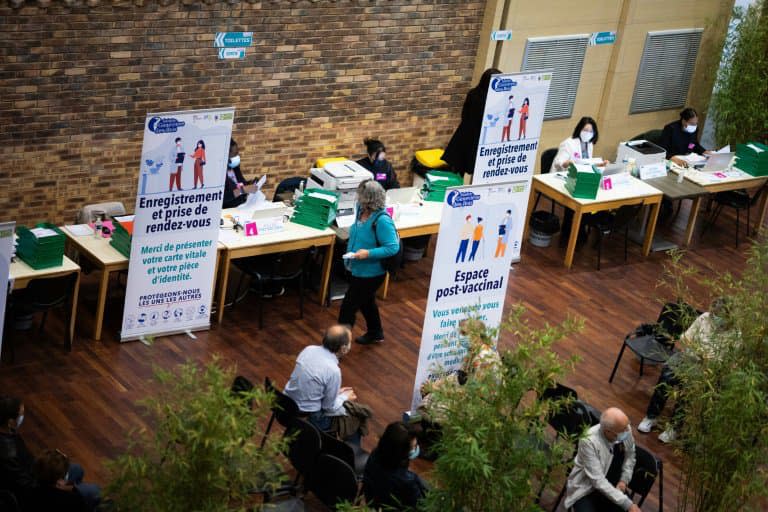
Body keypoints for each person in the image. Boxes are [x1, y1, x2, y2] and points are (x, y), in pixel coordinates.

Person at [637, 300, 728, 443]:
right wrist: (699, 350)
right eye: (715, 313)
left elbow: (721, 359)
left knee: (688, 387)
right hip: (688, 356)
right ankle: (651, 417)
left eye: (719, 315)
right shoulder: (705, 317)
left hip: (706, 367)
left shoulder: (734, 334)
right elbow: (686, 338)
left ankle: (674, 427)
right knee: (666, 376)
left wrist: (702, 353)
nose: (715, 317)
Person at [0, 396, 100, 510]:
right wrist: (56, 484)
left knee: (77, 469)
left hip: (37, 476)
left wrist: (49, 460)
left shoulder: (9, 434)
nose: (22, 417)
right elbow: (26, 487)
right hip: (36, 492)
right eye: (21, 415)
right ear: (10, 422)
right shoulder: (8, 454)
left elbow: (27, 461)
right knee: (94, 491)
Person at [338, 180, 399, 345]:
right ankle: (375, 332)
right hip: (356, 267)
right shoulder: (360, 210)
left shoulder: (382, 220)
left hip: (372, 272)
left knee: (348, 307)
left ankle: (338, 345)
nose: (357, 197)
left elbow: (392, 247)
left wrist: (368, 253)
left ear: (369, 198)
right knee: (366, 301)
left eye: (360, 194)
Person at [564, 407, 640, 512]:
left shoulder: (624, 428)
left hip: (614, 486)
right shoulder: (589, 441)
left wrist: (624, 479)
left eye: (627, 427)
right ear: (608, 431)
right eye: (623, 430)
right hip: (588, 488)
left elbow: (630, 456)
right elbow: (598, 481)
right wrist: (627, 504)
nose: (627, 431)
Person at [550, 116, 610, 245]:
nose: (587, 134)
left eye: (591, 131)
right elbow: (558, 163)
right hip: (564, 177)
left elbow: (586, 163)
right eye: (585, 130)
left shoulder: (589, 144)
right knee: (577, 200)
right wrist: (567, 163)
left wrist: (599, 165)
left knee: (590, 196)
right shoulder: (568, 143)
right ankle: (569, 235)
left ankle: (579, 232)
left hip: (581, 177)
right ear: (579, 129)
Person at [443, 68, 502, 176]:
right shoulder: (493, 100)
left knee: (458, 170)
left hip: (464, 135)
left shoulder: (473, 93)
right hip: (479, 140)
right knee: (478, 171)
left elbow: (464, 115)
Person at [363, 421, 428, 510]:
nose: (416, 448)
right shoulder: (407, 482)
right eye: (413, 447)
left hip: (374, 503)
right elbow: (420, 506)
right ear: (401, 452)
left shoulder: (375, 454)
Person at [223, 139, 258, 209]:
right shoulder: (220, 174)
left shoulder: (235, 168)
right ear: (226, 155)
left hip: (242, 206)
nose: (237, 156)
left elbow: (241, 184)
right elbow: (223, 198)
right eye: (235, 154)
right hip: (229, 209)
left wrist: (250, 184)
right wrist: (243, 190)